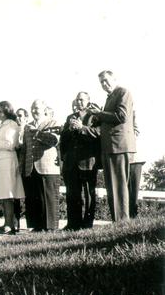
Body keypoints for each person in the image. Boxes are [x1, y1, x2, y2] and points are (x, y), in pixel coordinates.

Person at [87, 70, 136, 222]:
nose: (104, 84)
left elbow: (122, 116)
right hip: (109, 146)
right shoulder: (110, 97)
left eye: (107, 80)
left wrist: (99, 113)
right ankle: (118, 221)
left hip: (119, 145)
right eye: (101, 82)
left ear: (115, 79)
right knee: (112, 186)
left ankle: (122, 221)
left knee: (119, 185)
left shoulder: (123, 92)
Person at [60, 92, 101, 229]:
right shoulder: (70, 117)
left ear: (88, 101)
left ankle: (87, 224)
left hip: (87, 160)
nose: (79, 102)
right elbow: (63, 140)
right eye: (77, 100)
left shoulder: (95, 116)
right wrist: (69, 129)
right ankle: (73, 223)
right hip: (71, 161)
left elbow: (97, 134)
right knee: (72, 193)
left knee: (89, 193)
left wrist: (81, 128)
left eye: (82, 100)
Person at [20, 99, 60, 232]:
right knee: (33, 197)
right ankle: (37, 226)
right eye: (32, 108)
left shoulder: (53, 122)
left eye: (36, 108)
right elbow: (25, 149)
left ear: (44, 109)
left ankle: (50, 228)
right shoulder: (27, 126)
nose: (34, 111)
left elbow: (54, 140)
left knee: (48, 197)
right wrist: (22, 167)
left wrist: (37, 133)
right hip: (30, 167)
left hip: (47, 167)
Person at [0, 101, 25, 235]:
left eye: (0, 111)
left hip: (7, 162)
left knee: (8, 194)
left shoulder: (12, 124)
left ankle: (10, 225)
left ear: (7, 111)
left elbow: (10, 144)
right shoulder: (0, 125)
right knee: (3, 194)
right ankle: (6, 223)